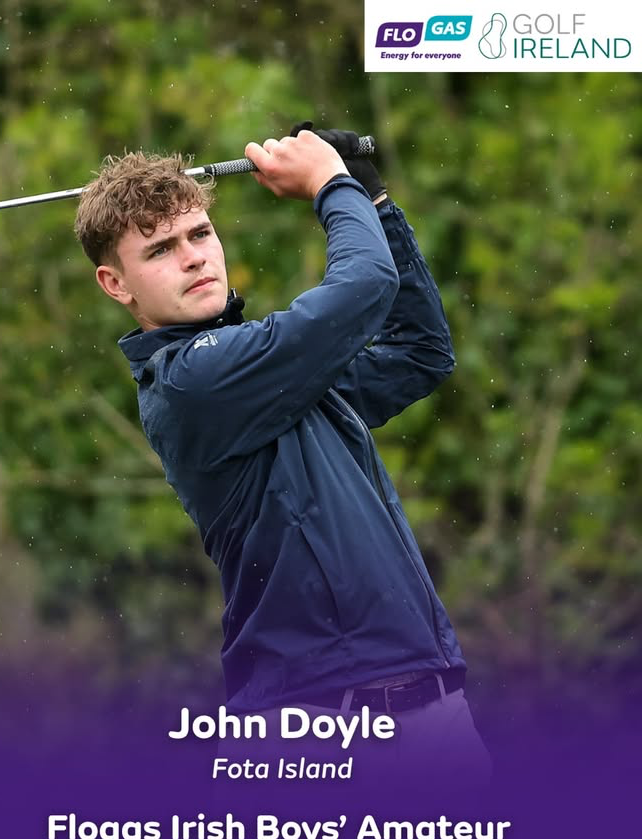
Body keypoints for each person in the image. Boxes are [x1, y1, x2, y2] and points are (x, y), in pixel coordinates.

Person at [74, 127, 489, 779]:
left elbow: (418, 351)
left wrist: (373, 200)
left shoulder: (278, 379)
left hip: (432, 715)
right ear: (115, 283)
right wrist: (331, 185)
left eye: (200, 235)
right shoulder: (194, 382)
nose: (193, 258)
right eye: (160, 250)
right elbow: (362, 289)